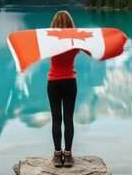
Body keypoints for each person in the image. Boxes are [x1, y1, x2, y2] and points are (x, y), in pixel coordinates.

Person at [47, 10, 78, 168]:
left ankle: (57, 156)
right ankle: (69, 155)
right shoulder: (76, 41)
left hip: (54, 82)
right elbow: (89, 50)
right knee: (68, 119)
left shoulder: (49, 40)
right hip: (70, 82)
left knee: (56, 119)